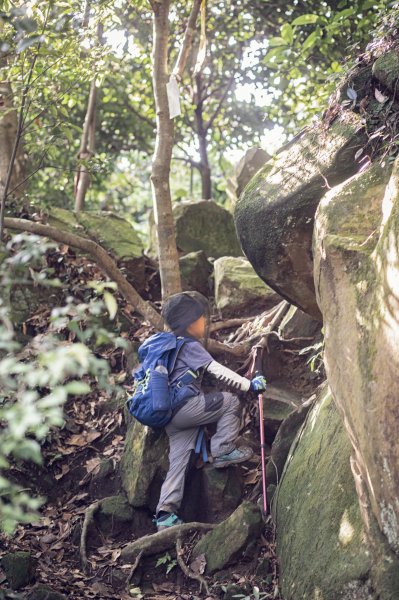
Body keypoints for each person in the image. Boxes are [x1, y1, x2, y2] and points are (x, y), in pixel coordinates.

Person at [155, 291, 267, 531]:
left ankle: (165, 514)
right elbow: (217, 371)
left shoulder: (165, 346)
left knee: (178, 462)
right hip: (184, 408)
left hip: (170, 417)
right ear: (190, 322)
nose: (205, 322)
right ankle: (224, 450)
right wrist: (249, 385)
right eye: (201, 318)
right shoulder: (188, 345)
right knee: (229, 402)